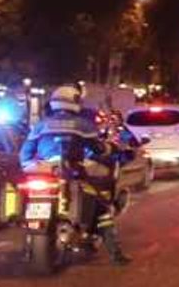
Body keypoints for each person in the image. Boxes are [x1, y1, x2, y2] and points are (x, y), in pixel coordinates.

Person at [19, 85, 131, 264]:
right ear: (75, 102)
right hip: (73, 170)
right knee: (101, 205)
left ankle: (27, 244)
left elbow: (25, 153)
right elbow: (98, 148)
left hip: (45, 172)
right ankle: (115, 254)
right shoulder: (83, 125)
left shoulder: (40, 125)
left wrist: (30, 167)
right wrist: (111, 148)